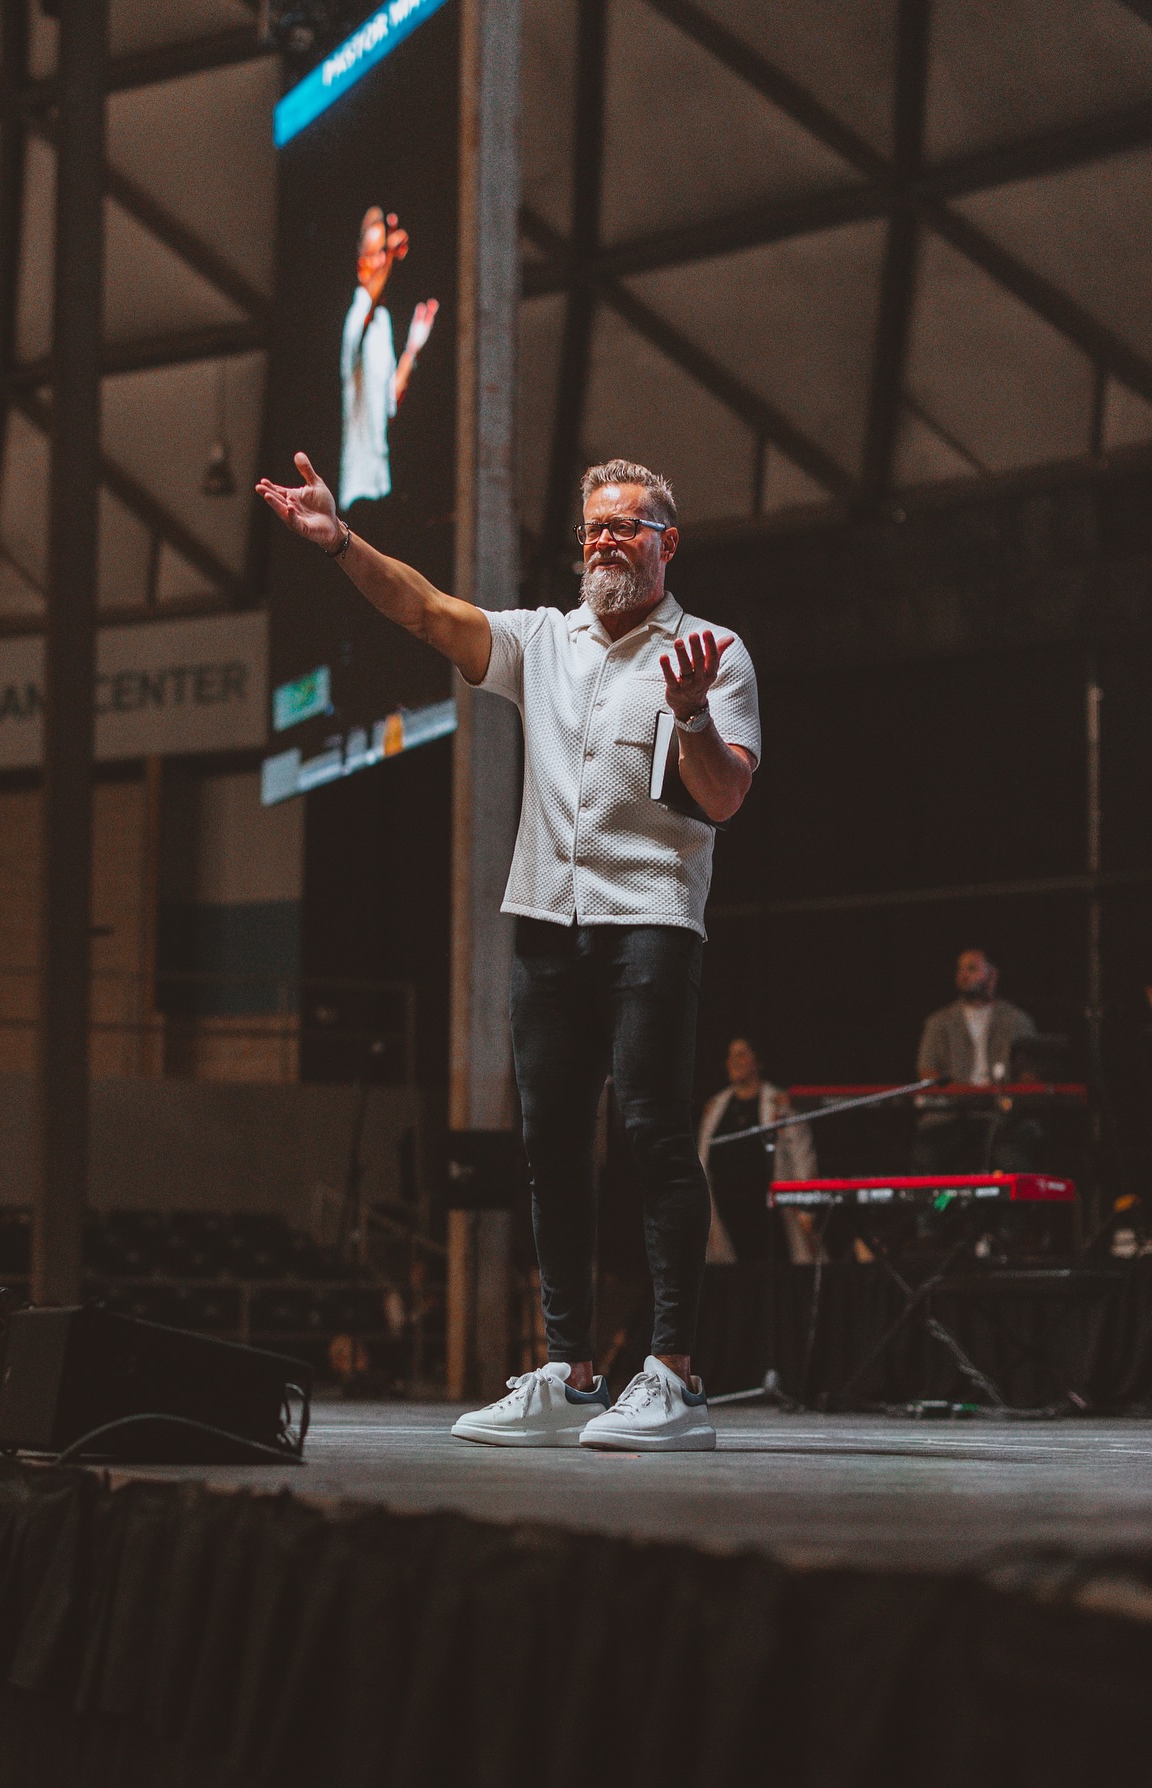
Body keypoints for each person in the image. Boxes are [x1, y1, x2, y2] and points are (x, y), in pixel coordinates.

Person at [257, 454, 760, 1450]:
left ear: (668, 543)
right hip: (544, 924)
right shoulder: (542, 641)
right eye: (594, 526)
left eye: (626, 526)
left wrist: (694, 712)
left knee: (656, 1138)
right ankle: (570, 1374)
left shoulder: (712, 650)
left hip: (651, 921)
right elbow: (423, 610)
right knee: (553, 1149)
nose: (604, 541)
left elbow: (726, 795)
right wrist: (341, 541)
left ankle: (674, 1377)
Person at [338, 207, 439, 512]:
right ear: (361, 266)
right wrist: (392, 254)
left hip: (381, 482)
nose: (383, 260)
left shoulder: (382, 321)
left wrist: (412, 349)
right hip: (358, 490)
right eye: (377, 253)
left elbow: (390, 402)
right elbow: (369, 300)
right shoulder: (356, 316)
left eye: (385, 252)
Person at [913, 948, 1040, 1174]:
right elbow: (926, 1071)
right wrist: (964, 1093)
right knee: (928, 1150)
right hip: (952, 1114)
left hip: (1003, 1116)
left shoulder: (1017, 1020)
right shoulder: (939, 1022)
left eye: (971, 969)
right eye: (959, 969)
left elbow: (1029, 1074)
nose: (963, 975)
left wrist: (1012, 1096)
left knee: (1014, 1155)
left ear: (993, 975)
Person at [699, 1038, 818, 1265]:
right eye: (730, 1056)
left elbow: (802, 1157)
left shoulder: (780, 1103)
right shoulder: (715, 1107)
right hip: (728, 1215)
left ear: (758, 1061)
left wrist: (807, 1209)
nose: (734, 1061)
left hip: (771, 1217)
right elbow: (702, 1160)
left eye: (741, 1054)